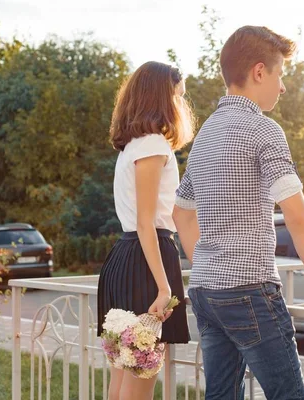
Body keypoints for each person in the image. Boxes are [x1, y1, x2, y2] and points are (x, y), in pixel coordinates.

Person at [173, 26, 304, 399]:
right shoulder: (263, 130)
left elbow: (181, 214)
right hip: (249, 289)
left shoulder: (205, 135)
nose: (282, 87)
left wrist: (209, 262)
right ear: (258, 72)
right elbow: (298, 216)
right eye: (280, 74)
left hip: (206, 289)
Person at [97, 61, 194, 400]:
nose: (180, 105)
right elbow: (146, 222)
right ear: (162, 97)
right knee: (139, 376)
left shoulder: (131, 147)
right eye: (177, 96)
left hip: (128, 257)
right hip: (145, 261)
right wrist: (164, 285)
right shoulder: (152, 144)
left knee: (125, 373)